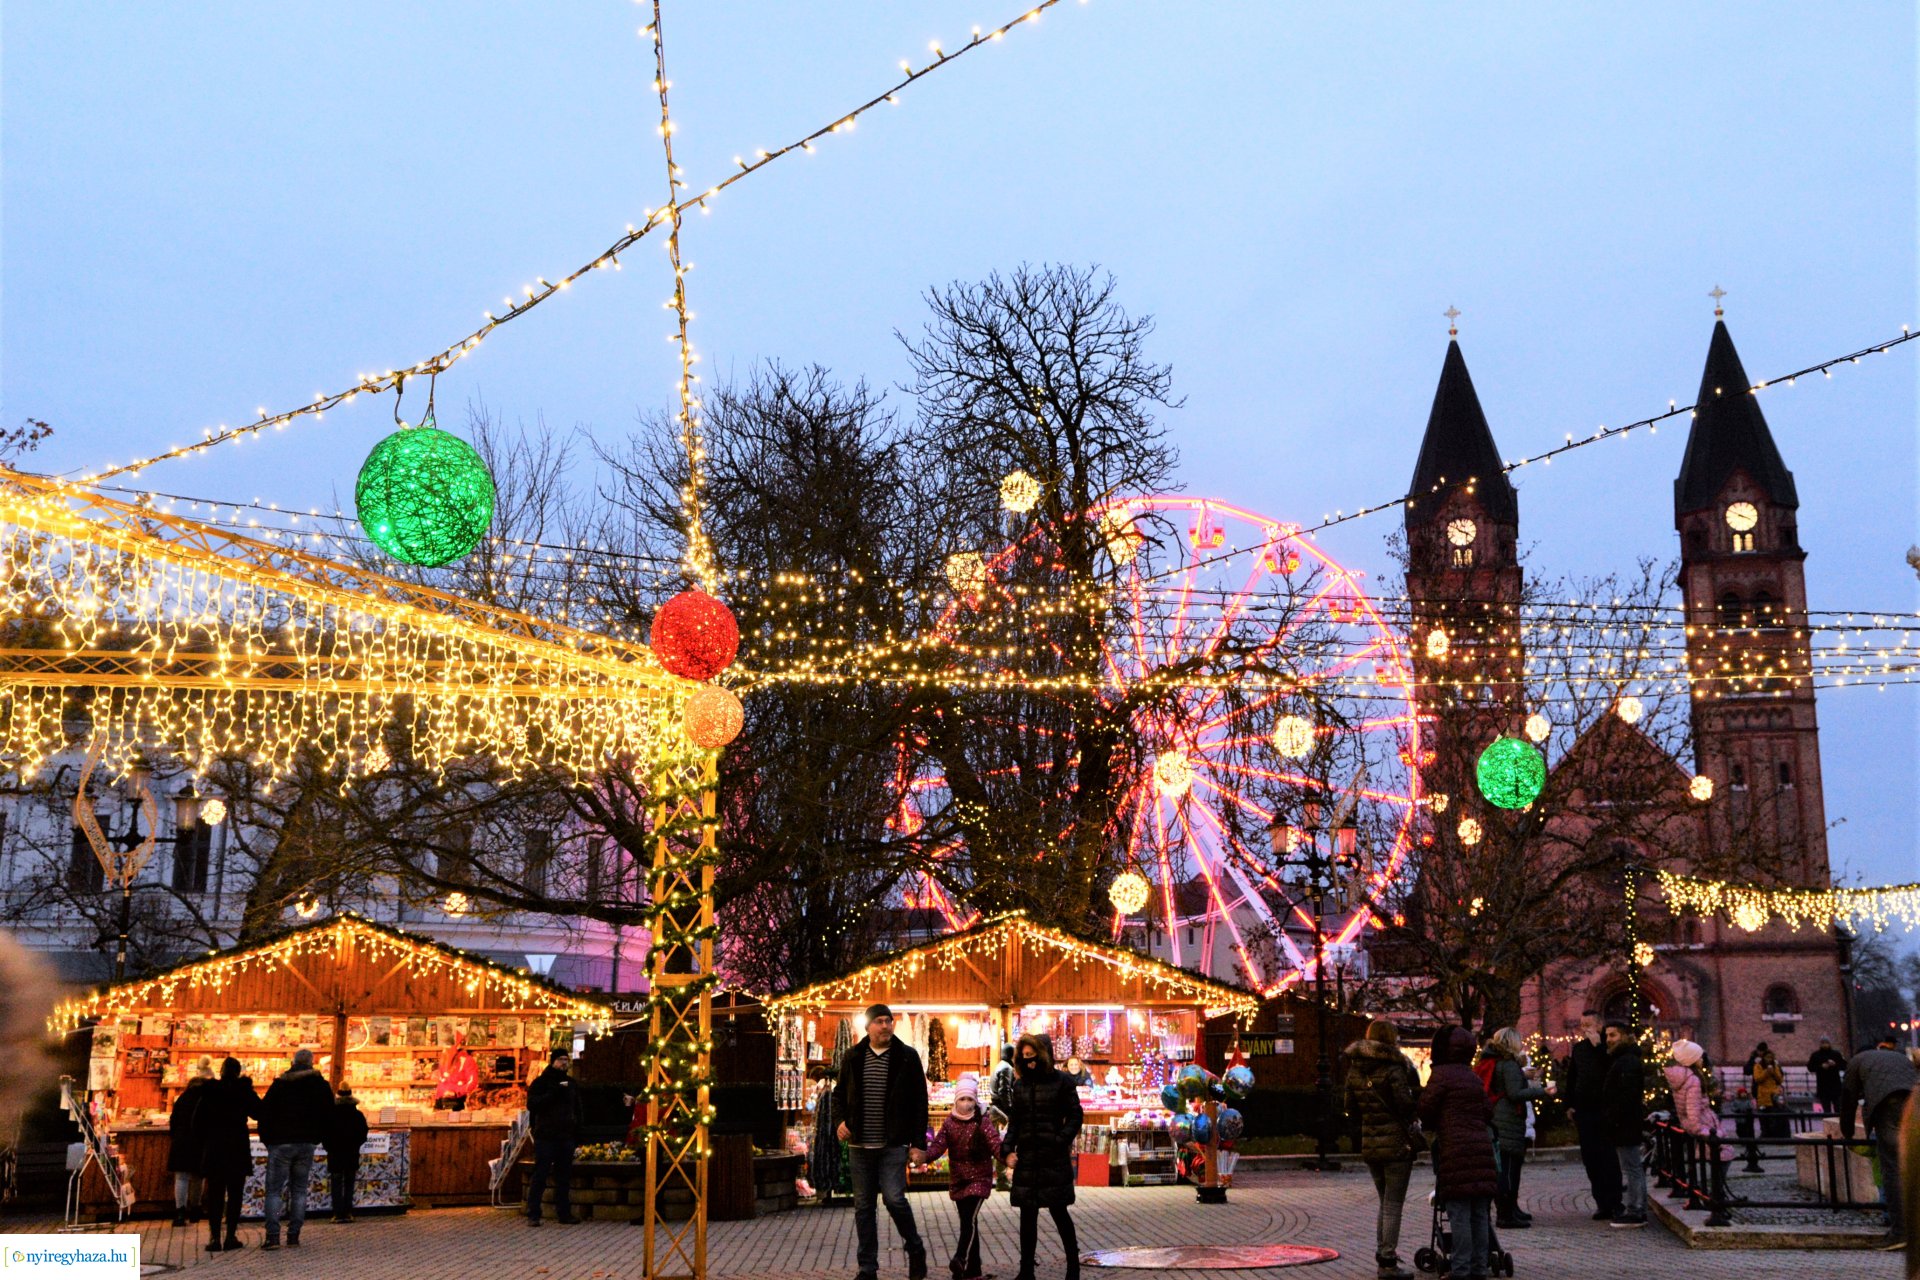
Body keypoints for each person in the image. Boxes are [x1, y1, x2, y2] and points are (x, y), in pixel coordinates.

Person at [831, 1003, 930, 1280]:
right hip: (860, 1145)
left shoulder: (907, 1057)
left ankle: (915, 1248)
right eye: (879, 1021)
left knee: (894, 1199)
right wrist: (840, 1122)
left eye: (888, 1021)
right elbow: (838, 1095)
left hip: (893, 1144)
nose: (885, 1026)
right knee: (863, 1207)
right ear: (868, 1026)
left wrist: (918, 1143)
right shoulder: (853, 1056)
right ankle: (867, 1268)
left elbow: (919, 1102)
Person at [1343, 1018, 1419, 1280]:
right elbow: (1405, 1105)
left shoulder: (1355, 1069)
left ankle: (1383, 1254)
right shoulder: (1394, 1068)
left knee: (1384, 1201)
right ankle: (1387, 1261)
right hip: (1396, 1143)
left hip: (1370, 1143)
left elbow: (1349, 1106)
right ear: (1390, 1038)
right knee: (1393, 1204)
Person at [1002, 1032, 1083, 1280]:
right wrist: (1007, 1149)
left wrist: (1060, 1140)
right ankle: (1026, 1270)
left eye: (1032, 1054)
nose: (1029, 1060)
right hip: (1028, 1159)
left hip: (1053, 1158)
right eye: (1024, 1056)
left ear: (1043, 1054)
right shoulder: (1020, 1085)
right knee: (1027, 1216)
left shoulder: (1062, 1082)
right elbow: (1015, 1122)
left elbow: (1075, 1115)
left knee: (1059, 1212)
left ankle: (1073, 1267)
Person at [1418, 1027, 1496, 1280]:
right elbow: (1488, 1111)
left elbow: (1426, 1110)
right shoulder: (1472, 1077)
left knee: (1459, 1215)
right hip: (1481, 1151)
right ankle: (1479, 1267)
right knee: (1480, 1214)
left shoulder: (1441, 1075)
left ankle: (1461, 1269)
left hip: (1455, 1151)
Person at [918, 1074, 1001, 1280]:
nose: (966, 1103)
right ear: (956, 1100)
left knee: (968, 1220)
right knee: (969, 1222)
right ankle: (973, 1270)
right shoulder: (949, 1123)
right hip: (959, 1179)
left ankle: (960, 1258)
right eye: (962, 1099)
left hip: (979, 1178)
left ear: (975, 1100)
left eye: (970, 1099)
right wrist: (924, 1157)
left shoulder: (982, 1122)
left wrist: (1006, 1157)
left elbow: (994, 1143)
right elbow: (938, 1145)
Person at [1840, 1033, 1917, 1250]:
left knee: (1892, 1168)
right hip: (1915, 1103)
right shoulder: (1899, 1057)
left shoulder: (1856, 1062)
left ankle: (1900, 1233)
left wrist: (1847, 1132)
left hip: (1889, 1106)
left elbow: (1848, 1098)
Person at [257, 1047, 334, 1250]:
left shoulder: (280, 1084)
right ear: (311, 1063)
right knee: (299, 1190)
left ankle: (273, 1236)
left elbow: (264, 1112)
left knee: (274, 1192)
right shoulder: (320, 1085)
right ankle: (293, 1235)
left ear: (293, 1063)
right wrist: (317, 1137)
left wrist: (268, 1139)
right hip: (306, 1143)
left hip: (280, 1142)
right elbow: (329, 1114)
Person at [193, 1056, 259, 1253]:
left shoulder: (210, 1090)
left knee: (215, 1194)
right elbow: (259, 1112)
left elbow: (197, 1121)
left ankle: (214, 1237)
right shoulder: (244, 1090)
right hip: (237, 1147)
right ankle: (230, 1236)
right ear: (238, 1072)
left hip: (215, 1147)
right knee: (235, 1194)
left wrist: (204, 1140)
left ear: (221, 1072)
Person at [1485, 1027, 1548, 1230]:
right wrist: (1542, 1091)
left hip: (1500, 1119)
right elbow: (1514, 1093)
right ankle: (1506, 1213)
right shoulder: (1509, 1064)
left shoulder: (1498, 1062)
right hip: (1508, 1121)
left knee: (1507, 1168)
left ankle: (1510, 1209)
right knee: (1508, 1170)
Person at [1565, 1011, 1622, 1221]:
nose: (1585, 1029)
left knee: (1608, 1158)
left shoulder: (1608, 1047)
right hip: (1584, 1110)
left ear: (1599, 1025)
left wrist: (1599, 1047)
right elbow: (1572, 1077)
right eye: (1582, 1025)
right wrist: (1569, 1104)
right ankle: (1601, 1203)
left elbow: (1611, 1072)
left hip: (1604, 1110)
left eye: (1588, 1024)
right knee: (1591, 1158)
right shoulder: (1579, 1049)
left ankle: (1615, 1202)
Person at [525, 1047, 584, 1227]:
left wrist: (577, 1129)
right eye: (560, 1060)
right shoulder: (541, 1082)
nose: (564, 1063)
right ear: (553, 1062)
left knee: (564, 1176)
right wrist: (552, 1094)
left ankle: (564, 1213)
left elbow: (577, 1107)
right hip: (546, 1135)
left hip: (565, 1135)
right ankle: (533, 1213)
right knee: (540, 1174)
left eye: (566, 1060)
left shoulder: (571, 1084)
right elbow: (532, 1104)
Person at [1664, 1040, 1727, 1204]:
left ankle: (1708, 1193)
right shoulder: (1693, 1080)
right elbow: (1693, 1111)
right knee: (1725, 1153)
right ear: (1691, 1059)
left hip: (1699, 1124)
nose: (1702, 1059)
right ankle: (1715, 1196)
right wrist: (1704, 1131)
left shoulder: (1683, 1077)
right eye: (1699, 1057)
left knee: (1713, 1157)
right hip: (1704, 1126)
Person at [1600, 1020, 1648, 1228]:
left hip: (1625, 1123)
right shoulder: (1622, 1059)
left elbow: (1626, 1096)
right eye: (1607, 1035)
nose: (1608, 1039)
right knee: (1631, 1167)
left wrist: (1614, 1118)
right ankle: (1637, 1209)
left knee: (1632, 1168)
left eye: (1613, 1035)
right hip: (1624, 1122)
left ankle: (1636, 1210)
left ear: (1625, 1036)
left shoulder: (1627, 1061)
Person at [167, 1057, 214, 1227]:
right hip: (200, 1142)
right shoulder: (207, 1099)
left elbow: (173, 1121)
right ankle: (195, 1208)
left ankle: (180, 1211)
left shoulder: (182, 1098)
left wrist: (176, 1136)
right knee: (198, 1177)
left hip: (181, 1142)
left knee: (181, 1177)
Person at [324, 1084, 370, 1222]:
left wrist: (329, 1147)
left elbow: (324, 1133)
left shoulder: (330, 1114)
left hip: (335, 1153)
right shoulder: (357, 1115)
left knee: (336, 1183)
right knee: (349, 1183)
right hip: (351, 1152)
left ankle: (337, 1213)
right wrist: (355, 1145)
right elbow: (363, 1134)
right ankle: (348, 1212)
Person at [1808, 1037, 1847, 1114]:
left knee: (1838, 1107)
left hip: (1835, 1085)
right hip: (1823, 1086)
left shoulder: (1836, 1054)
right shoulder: (1816, 1055)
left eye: (1826, 1043)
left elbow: (1844, 1065)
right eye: (1823, 1043)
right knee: (1826, 1109)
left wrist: (1835, 1064)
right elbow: (1810, 1067)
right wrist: (1821, 1067)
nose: (1825, 1045)